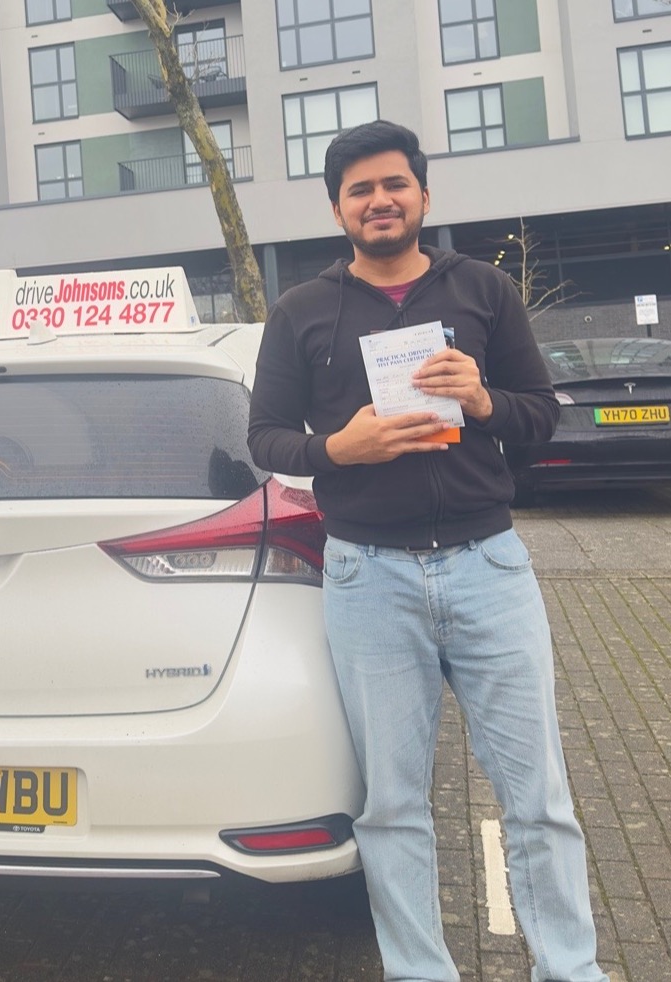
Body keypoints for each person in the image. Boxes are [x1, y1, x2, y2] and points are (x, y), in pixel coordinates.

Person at [247, 120, 608, 982]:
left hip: (489, 566)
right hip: (367, 576)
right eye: (360, 190)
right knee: (392, 804)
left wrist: (482, 399)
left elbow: (539, 416)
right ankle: (419, 972)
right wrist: (340, 449)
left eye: (392, 185)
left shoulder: (481, 290)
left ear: (421, 194)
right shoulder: (301, 309)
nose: (379, 201)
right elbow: (265, 437)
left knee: (540, 800)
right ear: (336, 208)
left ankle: (570, 968)